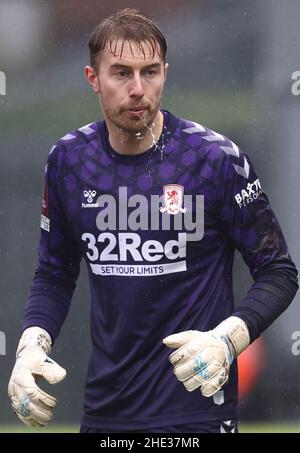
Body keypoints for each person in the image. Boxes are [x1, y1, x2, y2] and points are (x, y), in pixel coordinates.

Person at [8, 8, 298, 434]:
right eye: (122, 73)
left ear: (166, 73)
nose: (138, 89)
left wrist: (227, 340)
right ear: (93, 78)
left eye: (151, 72)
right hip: (106, 415)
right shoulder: (68, 161)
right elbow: (54, 274)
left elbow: (279, 272)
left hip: (198, 413)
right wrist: (30, 346)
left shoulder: (215, 159)